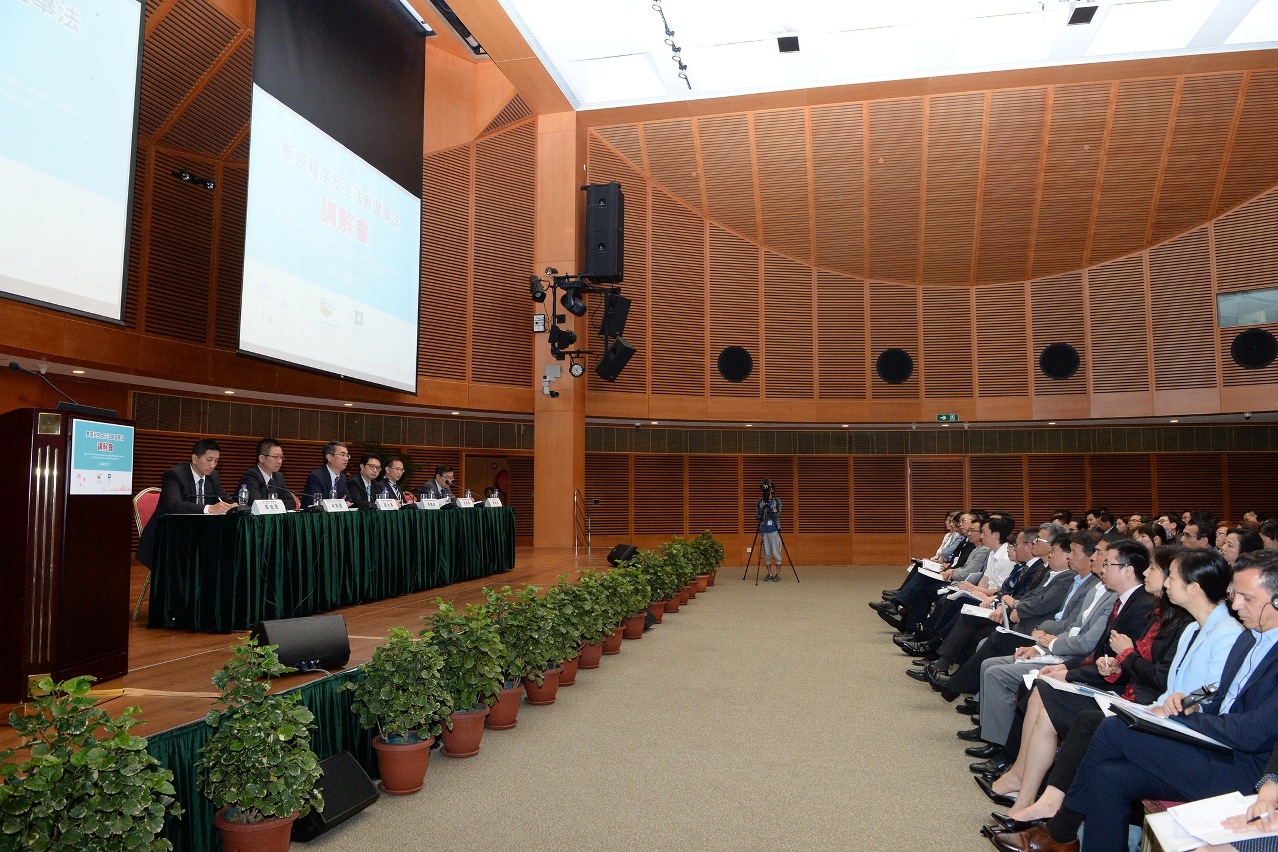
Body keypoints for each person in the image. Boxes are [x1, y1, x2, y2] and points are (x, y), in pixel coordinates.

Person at [993, 549, 1278, 852]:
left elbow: (1253, 731)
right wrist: (1192, 704)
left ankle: (1060, 830)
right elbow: (1219, 697)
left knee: (1110, 730)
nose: (1235, 604)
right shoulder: (1249, 637)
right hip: (1213, 742)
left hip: (1243, 765)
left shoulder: (1241, 636)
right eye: (1236, 594)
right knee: (1109, 776)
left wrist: (1184, 716)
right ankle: (1062, 829)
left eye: (1247, 598)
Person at [136, 438, 235, 568]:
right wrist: (210, 508)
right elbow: (174, 506)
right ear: (194, 458)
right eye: (209, 460)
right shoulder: (174, 475)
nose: (213, 465)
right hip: (168, 538)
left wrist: (234, 506)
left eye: (216, 461)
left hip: (198, 536)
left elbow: (225, 498)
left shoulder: (213, 476)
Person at [239, 438, 291, 505]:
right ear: (262, 458)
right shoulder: (251, 476)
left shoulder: (278, 477)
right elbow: (257, 504)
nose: (280, 461)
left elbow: (290, 502)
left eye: (281, 457)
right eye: (275, 457)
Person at [302, 441, 352, 507]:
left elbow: (348, 500)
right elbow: (315, 503)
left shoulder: (342, 478)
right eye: (342, 455)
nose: (346, 459)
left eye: (347, 455)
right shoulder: (316, 477)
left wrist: (347, 503)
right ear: (329, 457)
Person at [756, 479, 783, 582]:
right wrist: (769, 511)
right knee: (766, 553)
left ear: (772, 489)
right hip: (764, 530)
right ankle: (769, 573)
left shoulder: (777, 501)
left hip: (775, 530)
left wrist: (771, 511)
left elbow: (777, 514)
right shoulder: (760, 502)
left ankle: (778, 574)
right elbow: (758, 516)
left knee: (776, 552)